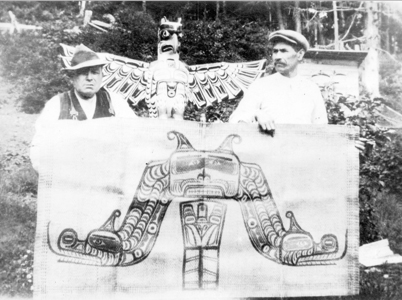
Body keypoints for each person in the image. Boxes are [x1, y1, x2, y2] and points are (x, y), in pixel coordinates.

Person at [30, 44, 136, 171]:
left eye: (95, 72)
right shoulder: (57, 104)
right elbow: (39, 148)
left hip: (108, 179)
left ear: (102, 76)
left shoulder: (115, 102)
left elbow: (135, 136)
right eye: (83, 73)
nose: (90, 78)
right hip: (70, 179)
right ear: (72, 77)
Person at [229, 29, 328, 133]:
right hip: (267, 147)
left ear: (300, 54)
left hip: (301, 147)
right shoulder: (260, 86)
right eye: (275, 51)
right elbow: (235, 120)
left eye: (284, 51)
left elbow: (322, 128)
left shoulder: (311, 89)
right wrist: (257, 113)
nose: (277, 57)